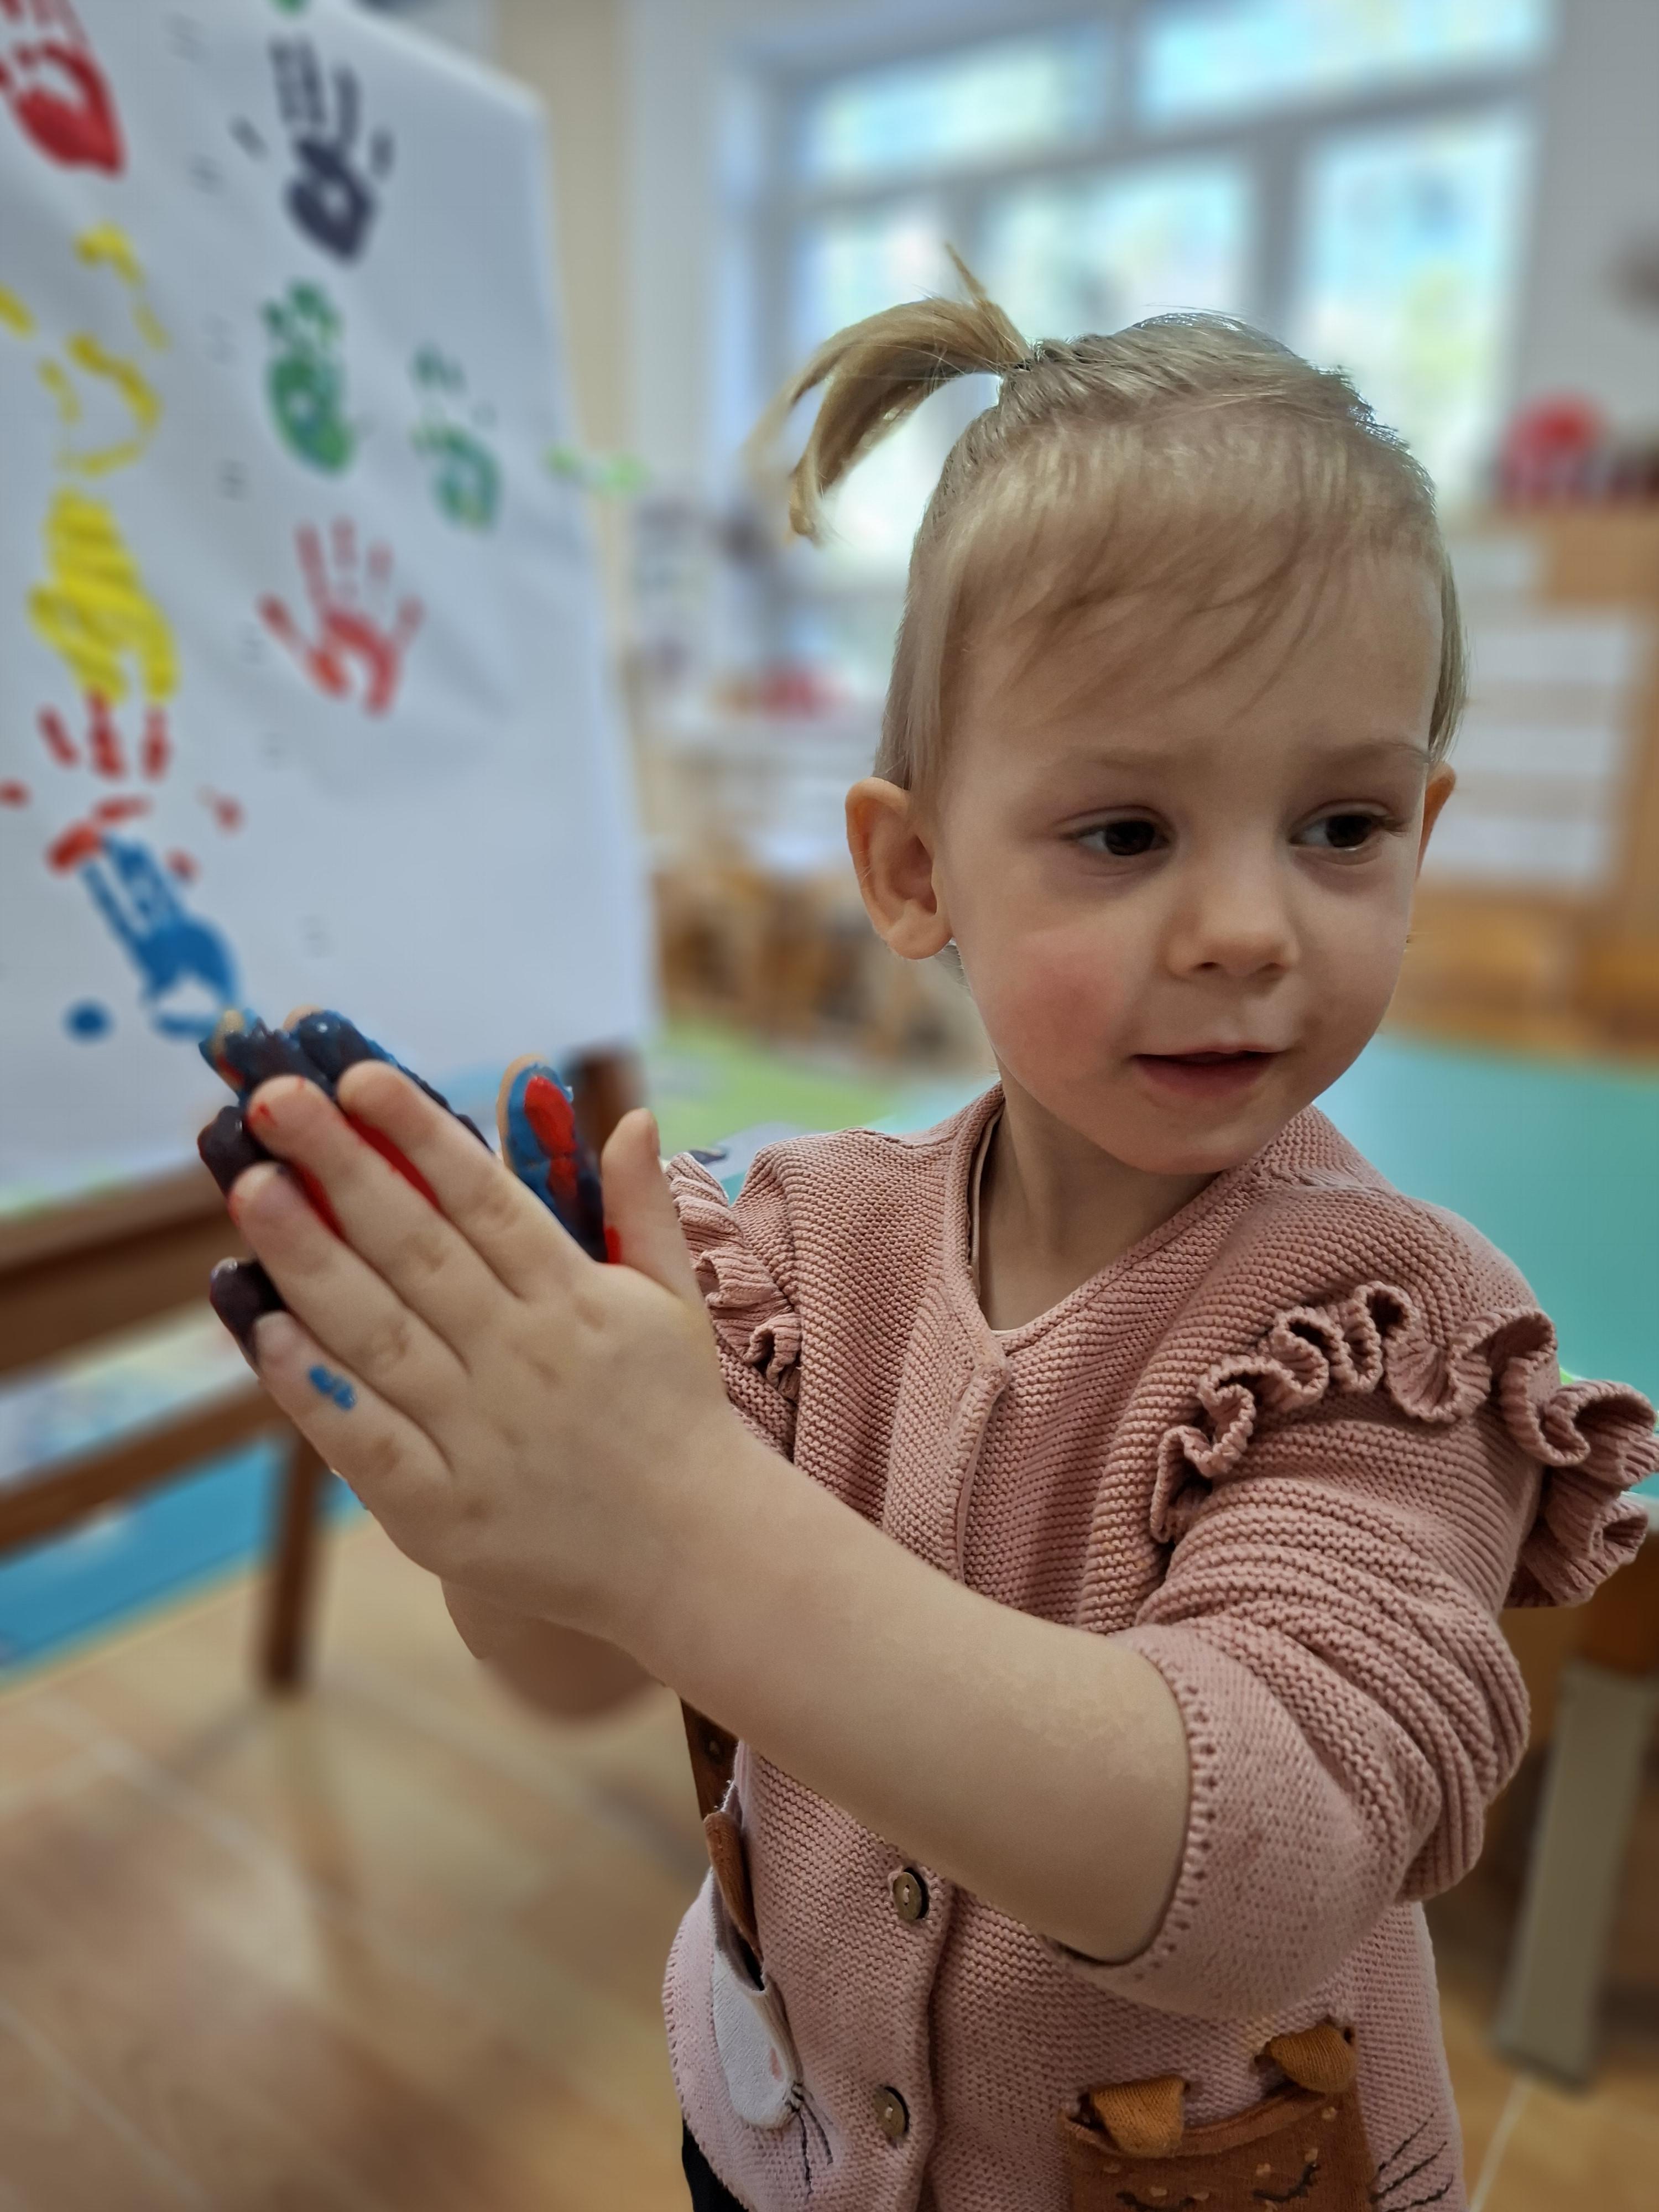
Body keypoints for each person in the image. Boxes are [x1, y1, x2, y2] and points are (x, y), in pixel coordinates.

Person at [211, 273, 1656, 2212]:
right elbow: (575, 1673)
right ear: (912, 871)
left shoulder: (1395, 1335)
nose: (1251, 927)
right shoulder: (799, 1249)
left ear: (1427, 818)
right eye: (1126, 832)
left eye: (1342, 826)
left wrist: (674, 1522)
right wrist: (514, 1504)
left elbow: (1283, 1856)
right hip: (776, 2137)